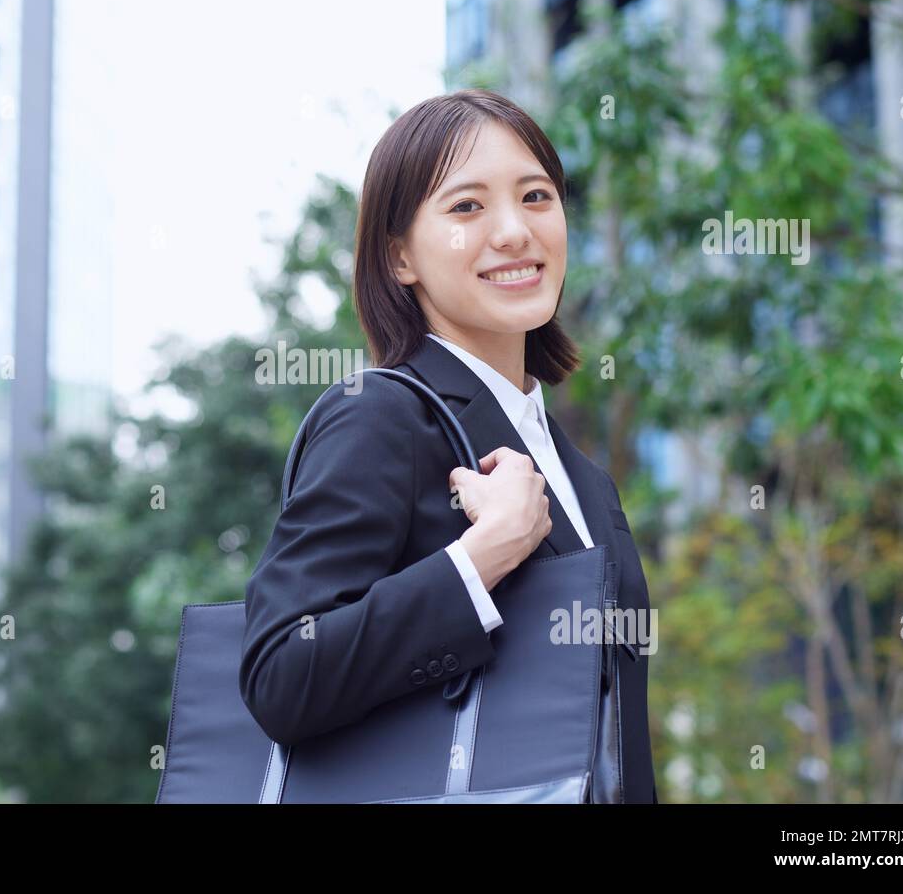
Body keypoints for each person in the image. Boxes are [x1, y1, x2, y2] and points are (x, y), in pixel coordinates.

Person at [238, 88, 657, 803]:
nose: (515, 231)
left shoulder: (585, 478)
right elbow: (282, 671)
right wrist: (485, 553)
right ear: (400, 255)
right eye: (467, 207)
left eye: (536, 196)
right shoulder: (379, 418)